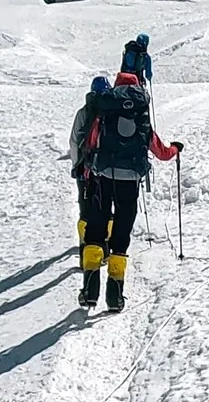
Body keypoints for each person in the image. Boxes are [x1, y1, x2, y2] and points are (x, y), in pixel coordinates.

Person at [75, 70, 180, 312]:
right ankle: (115, 295)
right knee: (120, 235)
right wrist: (175, 149)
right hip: (130, 182)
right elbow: (159, 150)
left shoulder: (106, 109)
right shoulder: (140, 113)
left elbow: (90, 143)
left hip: (103, 178)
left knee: (95, 230)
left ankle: (90, 292)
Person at [67, 75, 112, 242]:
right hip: (107, 168)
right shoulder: (112, 110)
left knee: (85, 205)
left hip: (84, 168)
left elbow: (74, 141)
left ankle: (85, 243)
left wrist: (76, 164)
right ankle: (107, 241)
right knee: (106, 205)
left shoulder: (83, 112)